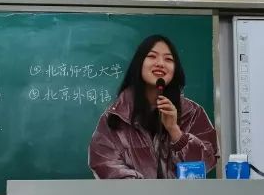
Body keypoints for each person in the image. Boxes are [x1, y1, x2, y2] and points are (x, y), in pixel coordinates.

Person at [89, 34, 218, 179]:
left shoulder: (193, 113)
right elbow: (105, 164)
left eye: (168, 59)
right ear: (139, 64)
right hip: (133, 194)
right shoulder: (115, 116)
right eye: (152, 56)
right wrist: (146, 191)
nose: (160, 63)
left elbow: (206, 163)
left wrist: (175, 131)